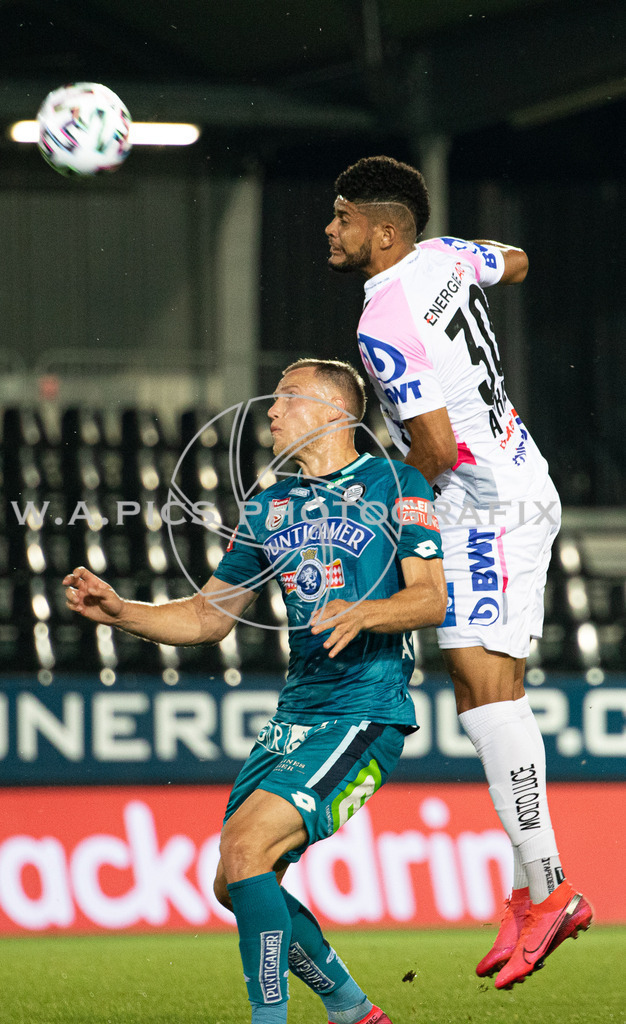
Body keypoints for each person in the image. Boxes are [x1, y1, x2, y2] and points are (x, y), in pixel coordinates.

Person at [64, 358, 447, 1024]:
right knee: (234, 881)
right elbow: (211, 616)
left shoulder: (396, 482)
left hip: (364, 711)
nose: (270, 413)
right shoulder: (270, 505)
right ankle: (355, 1011)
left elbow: (430, 598)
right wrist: (121, 610)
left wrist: (365, 612)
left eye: (285, 399)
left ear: (334, 410)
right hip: (293, 719)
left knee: (244, 850)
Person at [325, 156, 592, 990]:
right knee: (481, 694)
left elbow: (435, 451)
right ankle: (530, 887)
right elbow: (512, 259)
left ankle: (551, 892)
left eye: (341, 218)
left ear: (383, 230)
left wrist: (383, 480)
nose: (330, 231)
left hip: (483, 504)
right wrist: (478, 257)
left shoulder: (382, 322)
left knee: (490, 695)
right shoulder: (441, 257)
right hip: (511, 476)